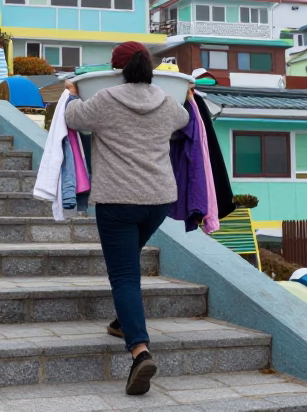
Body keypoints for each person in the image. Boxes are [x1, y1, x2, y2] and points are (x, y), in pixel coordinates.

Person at [62, 41, 193, 396]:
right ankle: (123, 321)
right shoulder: (167, 102)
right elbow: (185, 118)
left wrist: (72, 94)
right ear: (148, 69)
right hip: (158, 201)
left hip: (117, 201)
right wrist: (190, 94)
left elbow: (73, 119)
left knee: (123, 276)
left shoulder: (104, 100)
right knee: (128, 263)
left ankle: (139, 351)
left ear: (118, 70)